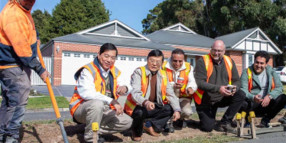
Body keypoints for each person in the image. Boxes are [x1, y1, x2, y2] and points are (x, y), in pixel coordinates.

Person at [0, 0, 49, 142]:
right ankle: (11, 137)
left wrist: (36, 36)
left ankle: (3, 134)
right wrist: (40, 69)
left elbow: (29, 29)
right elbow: (22, 49)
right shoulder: (14, 14)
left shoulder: (22, 11)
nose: (31, 3)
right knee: (17, 101)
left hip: (12, 65)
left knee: (9, 102)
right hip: (13, 65)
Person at [69, 43, 133, 143]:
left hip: (104, 110)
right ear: (99, 55)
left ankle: (92, 129)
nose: (109, 60)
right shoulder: (88, 70)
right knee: (97, 104)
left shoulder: (115, 72)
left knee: (127, 122)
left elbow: (128, 85)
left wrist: (125, 88)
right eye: (106, 56)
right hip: (81, 109)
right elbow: (87, 93)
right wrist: (112, 101)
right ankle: (91, 138)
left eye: (113, 58)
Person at [124, 49, 181, 141]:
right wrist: (145, 102)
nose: (154, 64)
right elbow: (135, 92)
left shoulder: (163, 74)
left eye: (158, 62)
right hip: (137, 106)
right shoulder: (139, 72)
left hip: (153, 106)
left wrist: (177, 110)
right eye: (152, 61)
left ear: (162, 63)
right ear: (147, 60)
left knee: (169, 108)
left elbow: (171, 94)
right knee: (140, 112)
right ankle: (136, 132)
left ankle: (148, 125)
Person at [194, 40, 245, 132]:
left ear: (224, 51)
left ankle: (225, 122)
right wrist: (218, 89)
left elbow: (237, 80)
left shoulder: (229, 61)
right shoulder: (202, 61)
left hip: (222, 97)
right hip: (206, 100)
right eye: (214, 50)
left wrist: (234, 88)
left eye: (219, 51)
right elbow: (199, 83)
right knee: (207, 128)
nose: (216, 53)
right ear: (211, 49)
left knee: (240, 94)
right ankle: (200, 121)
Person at [240, 51, 286, 127]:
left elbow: (279, 87)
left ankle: (266, 120)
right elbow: (243, 89)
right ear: (254, 61)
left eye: (262, 63)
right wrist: (253, 97)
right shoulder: (246, 72)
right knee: (242, 100)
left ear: (266, 64)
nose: (258, 65)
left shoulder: (271, 71)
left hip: (266, 103)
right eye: (257, 62)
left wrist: (269, 96)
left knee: (283, 97)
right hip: (252, 103)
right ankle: (247, 121)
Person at [162, 48, 197, 132]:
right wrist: (173, 85)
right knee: (168, 109)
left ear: (184, 59)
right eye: (175, 61)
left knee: (187, 112)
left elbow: (192, 81)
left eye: (180, 61)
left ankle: (179, 120)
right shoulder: (163, 66)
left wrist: (190, 88)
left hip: (182, 96)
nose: (177, 64)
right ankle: (168, 122)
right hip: (168, 96)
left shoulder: (189, 67)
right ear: (171, 58)